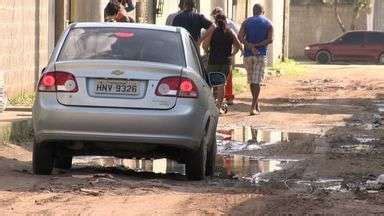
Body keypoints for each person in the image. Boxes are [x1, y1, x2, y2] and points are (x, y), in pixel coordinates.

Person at [238, 4, 273, 116]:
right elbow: (270, 39)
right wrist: (257, 46)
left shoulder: (246, 22)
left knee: (252, 81)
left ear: (253, 12)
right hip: (260, 55)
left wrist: (250, 46)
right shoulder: (268, 23)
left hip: (248, 55)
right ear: (262, 11)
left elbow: (240, 37)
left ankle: (256, 103)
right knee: (256, 81)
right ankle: (253, 107)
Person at [204, 14, 242, 114]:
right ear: (225, 21)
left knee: (210, 84)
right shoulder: (230, 32)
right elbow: (238, 45)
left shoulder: (213, 32)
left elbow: (205, 45)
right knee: (221, 85)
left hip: (213, 61)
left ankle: (209, 106)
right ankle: (218, 107)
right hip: (225, 62)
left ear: (216, 22)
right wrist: (232, 54)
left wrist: (208, 51)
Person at [211, 7, 239, 105]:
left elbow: (238, 36)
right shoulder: (212, 26)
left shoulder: (230, 25)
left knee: (226, 79)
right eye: (214, 13)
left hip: (224, 55)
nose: (216, 15)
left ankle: (228, 97)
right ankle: (217, 100)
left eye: (218, 12)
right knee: (218, 80)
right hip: (218, 56)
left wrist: (233, 53)